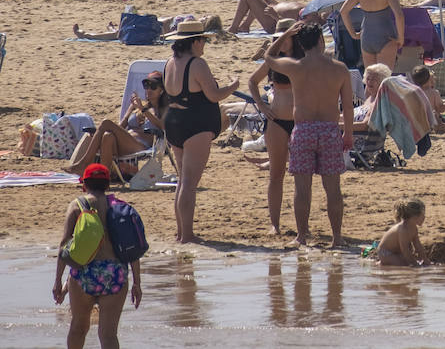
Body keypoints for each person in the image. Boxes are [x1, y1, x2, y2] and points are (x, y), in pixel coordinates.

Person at [262, 19, 355, 248]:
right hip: (330, 130)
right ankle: (336, 238)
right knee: (333, 188)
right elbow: (349, 106)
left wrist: (285, 35)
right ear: (321, 41)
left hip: (303, 130)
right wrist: (349, 133)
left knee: (302, 188)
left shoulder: (295, 67)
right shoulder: (339, 69)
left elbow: (268, 57)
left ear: (301, 45)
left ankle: (302, 237)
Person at [163, 20, 241, 243]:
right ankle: (187, 235)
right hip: (195, 124)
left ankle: (181, 232)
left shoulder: (170, 62)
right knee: (189, 183)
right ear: (195, 42)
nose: (205, 44)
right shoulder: (197, 64)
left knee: (182, 181)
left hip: (174, 122)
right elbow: (214, 95)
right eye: (204, 40)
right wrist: (233, 85)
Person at [54, 164, 142, 348]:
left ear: (84, 185)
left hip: (83, 274)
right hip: (115, 274)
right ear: (108, 185)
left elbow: (64, 246)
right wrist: (137, 283)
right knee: (108, 334)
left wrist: (58, 281)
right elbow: (131, 248)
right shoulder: (121, 208)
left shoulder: (77, 205)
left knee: (78, 327)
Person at [247, 21, 308, 236]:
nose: (280, 41)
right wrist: (262, 106)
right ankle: (274, 224)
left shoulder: (303, 60)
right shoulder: (274, 61)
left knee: (302, 174)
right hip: (277, 121)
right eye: (278, 38)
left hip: (301, 122)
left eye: (286, 37)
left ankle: (303, 226)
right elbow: (252, 82)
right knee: (276, 173)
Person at [64, 72, 167, 176]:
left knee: (106, 123)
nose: (148, 90)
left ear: (161, 90)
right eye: (146, 86)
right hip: (123, 142)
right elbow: (120, 127)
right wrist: (129, 112)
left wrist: (143, 110)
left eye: (153, 87)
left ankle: (84, 163)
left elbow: (163, 127)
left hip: (141, 146)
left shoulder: (164, 109)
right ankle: (103, 177)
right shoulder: (139, 105)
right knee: (108, 136)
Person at [377, 198, 427, 267]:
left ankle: (389, 262)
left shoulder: (414, 228)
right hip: (385, 252)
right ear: (414, 217)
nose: (424, 217)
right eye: (423, 214)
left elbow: (418, 246)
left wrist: (426, 260)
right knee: (404, 265)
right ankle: (382, 263)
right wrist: (415, 265)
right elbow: (405, 250)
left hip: (398, 252)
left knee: (411, 260)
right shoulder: (403, 229)